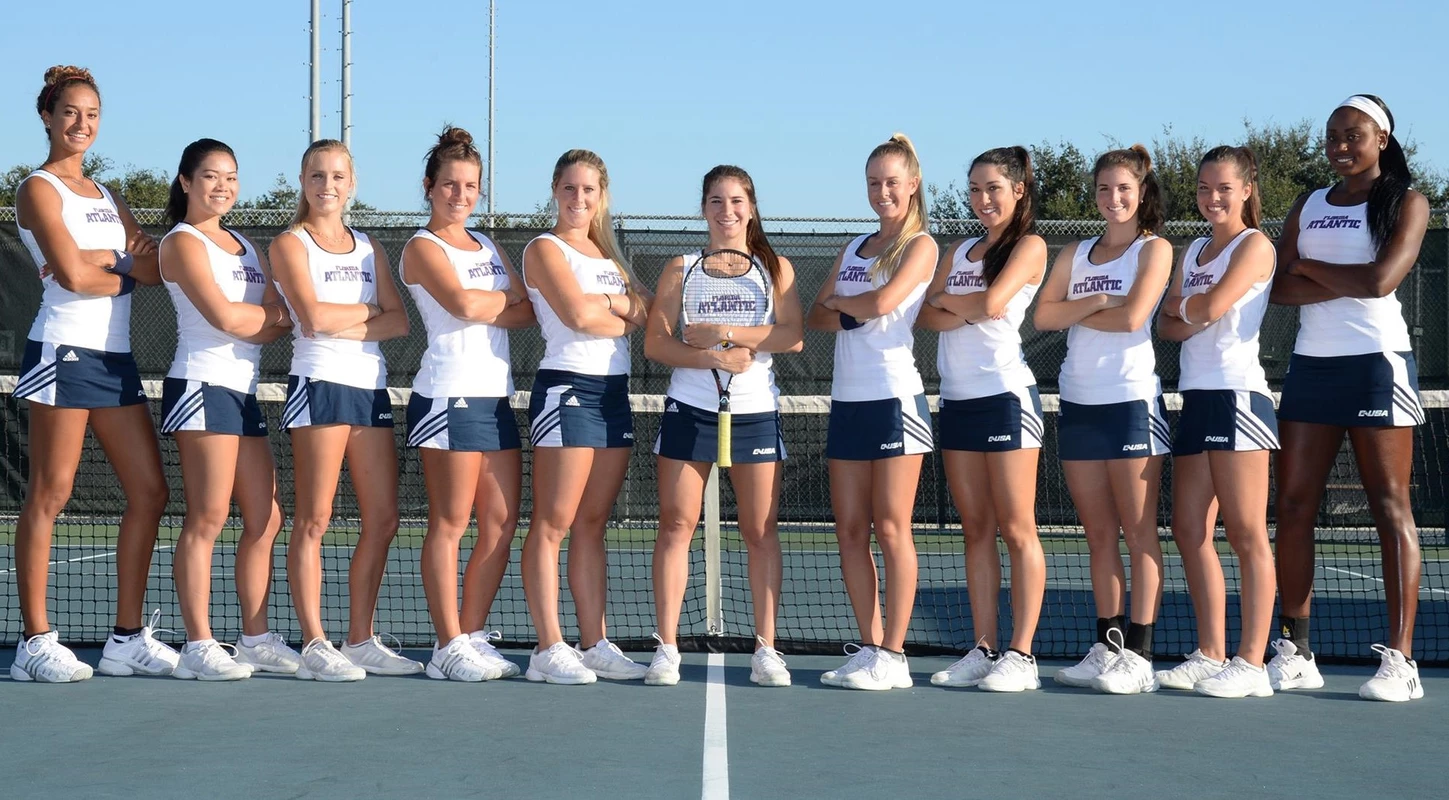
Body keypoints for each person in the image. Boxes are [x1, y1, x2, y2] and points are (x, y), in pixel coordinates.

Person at [10, 66, 178, 682]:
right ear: (49, 117)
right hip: (63, 352)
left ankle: (126, 639)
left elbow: (156, 267)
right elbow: (73, 280)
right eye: (71, 113)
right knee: (50, 495)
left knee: (151, 492)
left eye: (93, 115)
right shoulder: (38, 189)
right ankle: (35, 641)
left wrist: (106, 259)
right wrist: (119, 262)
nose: (82, 125)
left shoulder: (109, 196)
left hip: (114, 360)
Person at [1269, 95, 1430, 702]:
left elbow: (1380, 282)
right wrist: (1319, 275)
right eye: (1333, 134)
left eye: (1353, 134)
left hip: (1376, 367)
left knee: (1390, 507)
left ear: (1382, 139)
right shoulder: (1308, 204)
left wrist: (1311, 268)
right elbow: (1278, 289)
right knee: (1291, 505)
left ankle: (1402, 662)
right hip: (1313, 367)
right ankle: (1297, 648)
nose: (1340, 144)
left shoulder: (1407, 202)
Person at [643, 165, 803, 687]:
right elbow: (657, 345)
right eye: (716, 201)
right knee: (675, 527)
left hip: (755, 414)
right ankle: (666, 649)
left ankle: (766, 649)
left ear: (751, 207)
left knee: (760, 530)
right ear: (703, 208)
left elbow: (792, 337)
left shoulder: (774, 268)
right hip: (689, 411)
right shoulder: (680, 267)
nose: (727, 211)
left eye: (736, 201)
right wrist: (711, 356)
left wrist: (730, 333)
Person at [269, 139, 420, 681]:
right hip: (320, 386)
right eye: (317, 176)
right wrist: (366, 311)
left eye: (337, 176)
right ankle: (314, 642)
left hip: (369, 389)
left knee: (383, 518)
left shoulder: (369, 247)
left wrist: (344, 317)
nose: (327, 186)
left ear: (351, 184)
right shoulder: (290, 243)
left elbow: (399, 321)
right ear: (303, 182)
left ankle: (359, 638)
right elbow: (310, 318)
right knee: (314, 518)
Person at [1035, 144, 1172, 695]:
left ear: (1141, 192)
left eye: (1123, 188)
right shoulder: (1075, 252)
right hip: (1080, 403)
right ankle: (1108, 645)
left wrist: (1082, 308)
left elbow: (1136, 315)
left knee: (1139, 531)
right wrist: (1096, 306)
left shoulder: (1155, 249)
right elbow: (1043, 315)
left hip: (1132, 403)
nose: (1113, 199)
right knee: (1098, 534)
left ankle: (1140, 655)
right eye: (1103, 189)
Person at [158, 138, 297, 680]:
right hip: (201, 385)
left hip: (242, 392)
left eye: (232, 177)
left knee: (266, 516)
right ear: (186, 182)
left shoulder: (245, 244)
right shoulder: (183, 242)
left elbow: (268, 318)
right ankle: (198, 644)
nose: (223, 187)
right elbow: (225, 318)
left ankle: (256, 638)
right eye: (211, 176)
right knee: (209, 515)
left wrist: (262, 319)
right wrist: (267, 320)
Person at [400, 127, 534, 681]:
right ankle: (446, 645)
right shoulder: (420, 247)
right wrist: (495, 301)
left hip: (494, 397)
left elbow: (526, 311)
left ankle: (473, 633)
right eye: (450, 184)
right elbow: (458, 303)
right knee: (450, 522)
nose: (461, 195)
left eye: (471, 186)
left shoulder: (489, 246)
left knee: (500, 522)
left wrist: (489, 303)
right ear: (430, 187)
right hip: (447, 393)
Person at [806, 134, 938, 691]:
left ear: (912, 185)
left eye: (892, 182)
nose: (882, 192)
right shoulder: (855, 245)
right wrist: (843, 306)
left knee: (891, 528)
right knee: (850, 531)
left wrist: (847, 305)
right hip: (849, 404)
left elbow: (882, 304)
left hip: (894, 402)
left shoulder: (922, 246)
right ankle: (869, 645)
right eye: (873, 183)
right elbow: (816, 314)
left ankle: (894, 653)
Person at [520, 149, 651, 684]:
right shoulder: (543, 248)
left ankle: (593, 643)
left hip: (612, 394)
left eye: (589, 190)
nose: (579, 199)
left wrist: (614, 306)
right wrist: (619, 310)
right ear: (555, 190)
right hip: (566, 389)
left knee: (593, 524)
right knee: (553, 523)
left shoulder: (608, 255)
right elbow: (576, 315)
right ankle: (548, 648)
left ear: (602, 196)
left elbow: (646, 309)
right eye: (570, 188)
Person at [919, 147, 1047, 693]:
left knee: (1017, 528)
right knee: (976, 530)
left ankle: (1022, 654)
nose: (982, 199)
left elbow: (995, 302)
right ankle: (984, 647)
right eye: (974, 189)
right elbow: (925, 313)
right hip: (958, 400)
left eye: (993, 187)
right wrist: (961, 303)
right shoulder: (958, 249)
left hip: (1006, 399)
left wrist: (959, 302)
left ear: (1018, 190)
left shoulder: (1031, 245)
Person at [1155, 146, 1277, 698]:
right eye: (1204, 188)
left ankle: (1252, 663)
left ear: (1246, 189)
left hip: (1239, 399)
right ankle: (1211, 652)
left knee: (1246, 533)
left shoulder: (1256, 246)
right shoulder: (1195, 248)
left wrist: (1191, 306)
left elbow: (1204, 310)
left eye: (1223, 188)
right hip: (1196, 398)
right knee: (1189, 530)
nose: (1213, 198)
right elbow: (1170, 325)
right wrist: (1191, 308)